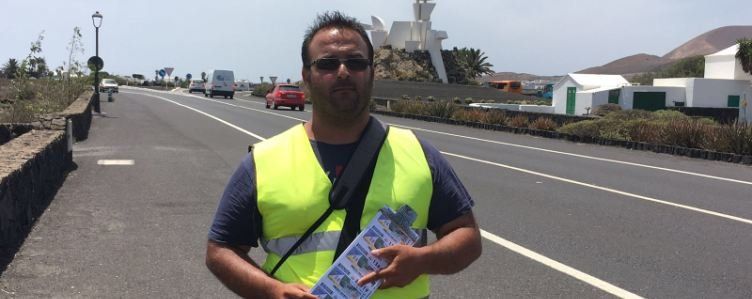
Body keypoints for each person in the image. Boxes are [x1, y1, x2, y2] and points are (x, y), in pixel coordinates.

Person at [206, 11, 481, 299]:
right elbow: (220, 250)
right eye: (326, 63)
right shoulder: (264, 160)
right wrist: (272, 291)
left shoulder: (419, 154)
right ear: (306, 76)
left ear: (372, 72)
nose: (343, 72)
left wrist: (423, 260)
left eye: (356, 62)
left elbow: (467, 236)